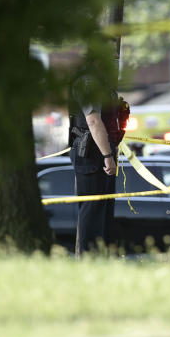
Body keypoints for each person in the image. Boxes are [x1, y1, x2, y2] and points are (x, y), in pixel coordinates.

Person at [68, 64, 119, 256]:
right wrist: (108, 156)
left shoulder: (101, 80)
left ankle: (101, 258)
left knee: (102, 212)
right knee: (93, 211)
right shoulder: (89, 81)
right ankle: (90, 259)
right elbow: (93, 121)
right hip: (91, 154)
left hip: (98, 152)